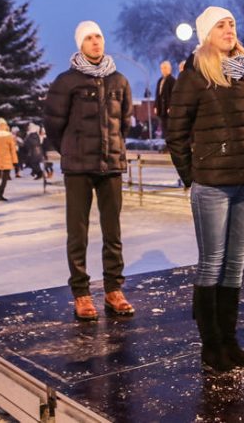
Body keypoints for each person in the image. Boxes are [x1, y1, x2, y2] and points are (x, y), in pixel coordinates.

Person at [166, 6, 244, 372]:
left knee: (235, 265)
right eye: (221, 25)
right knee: (212, 264)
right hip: (212, 186)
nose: (229, 29)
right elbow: (176, 133)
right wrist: (193, 174)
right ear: (207, 33)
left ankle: (230, 341)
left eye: (232, 23)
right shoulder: (195, 75)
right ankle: (211, 346)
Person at [43, 20, 135, 322]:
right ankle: (81, 293)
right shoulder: (66, 82)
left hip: (111, 166)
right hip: (79, 167)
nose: (95, 42)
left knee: (113, 232)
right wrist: (70, 149)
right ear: (80, 44)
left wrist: (115, 149)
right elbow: (54, 125)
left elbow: (124, 121)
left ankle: (113, 290)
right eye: (89, 38)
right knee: (77, 233)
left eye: (99, 37)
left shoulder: (119, 81)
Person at [0, 118, 18, 200]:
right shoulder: (9, 136)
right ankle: (0, 194)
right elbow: (13, 150)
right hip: (7, 159)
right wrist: (15, 161)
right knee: (5, 179)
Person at [154, 60, 176, 137]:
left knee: (169, 127)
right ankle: (166, 143)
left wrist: (171, 106)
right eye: (162, 68)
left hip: (168, 108)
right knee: (164, 127)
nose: (163, 70)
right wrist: (156, 106)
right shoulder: (160, 80)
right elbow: (157, 95)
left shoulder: (172, 80)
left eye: (165, 68)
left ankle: (170, 145)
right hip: (161, 109)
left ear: (169, 69)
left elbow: (174, 95)